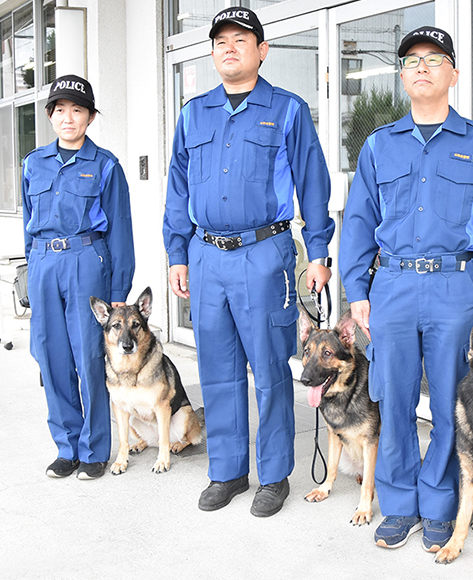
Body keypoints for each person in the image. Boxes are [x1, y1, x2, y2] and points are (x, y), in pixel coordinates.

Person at [339, 27, 473, 551]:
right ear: (401, 76)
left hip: (453, 289)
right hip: (391, 286)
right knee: (391, 401)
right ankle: (397, 505)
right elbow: (358, 222)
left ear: (453, 74)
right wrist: (357, 289)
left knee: (447, 405)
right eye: (411, 60)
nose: (421, 67)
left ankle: (439, 504)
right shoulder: (378, 146)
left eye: (434, 59)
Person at [163, 8, 334, 518]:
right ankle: (229, 470)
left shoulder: (287, 110)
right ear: (212, 52)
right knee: (216, 369)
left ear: (262, 50)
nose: (229, 47)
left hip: (265, 255)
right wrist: (177, 251)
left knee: (270, 369)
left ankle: (274, 474)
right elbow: (177, 188)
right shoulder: (193, 114)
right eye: (220, 41)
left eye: (242, 39)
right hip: (206, 254)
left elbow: (313, 182)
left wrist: (319, 252)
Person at [22, 74, 135, 480]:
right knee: (51, 357)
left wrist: (119, 293)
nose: (68, 118)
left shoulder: (105, 166)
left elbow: (120, 228)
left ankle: (93, 449)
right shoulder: (33, 163)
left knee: (89, 356)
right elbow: (27, 222)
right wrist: (29, 272)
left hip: (87, 261)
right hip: (43, 264)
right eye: (60, 110)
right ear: (51, 116)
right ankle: (66, 447)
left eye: (78, 110)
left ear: (89, 118)